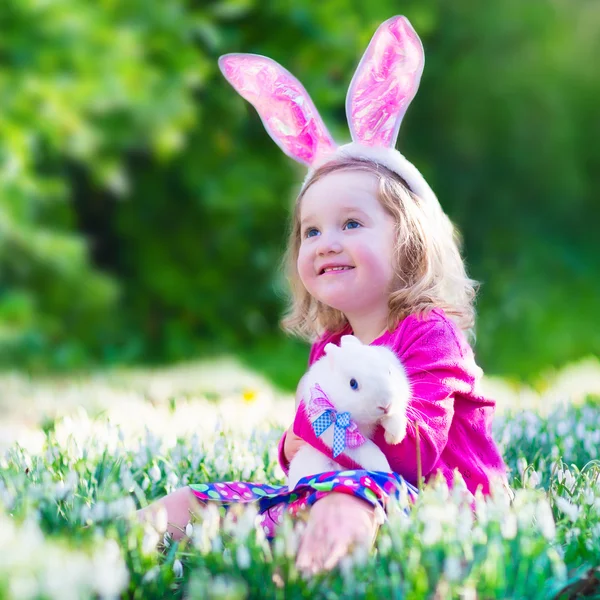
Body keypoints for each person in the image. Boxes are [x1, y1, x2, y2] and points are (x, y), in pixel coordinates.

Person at [137, 15, 509, 575]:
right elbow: (302, 459)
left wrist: (304, 434)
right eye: (311, 231)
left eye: (351, 224)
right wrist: (299, 446)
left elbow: (407, 454)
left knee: (343, 499)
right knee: (190, 501)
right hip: (341, 492)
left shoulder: (432, 336)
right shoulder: (331, 345)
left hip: (438, 510)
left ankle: (316, 579)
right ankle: (96, 556)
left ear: (410, 241)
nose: (325, 243)